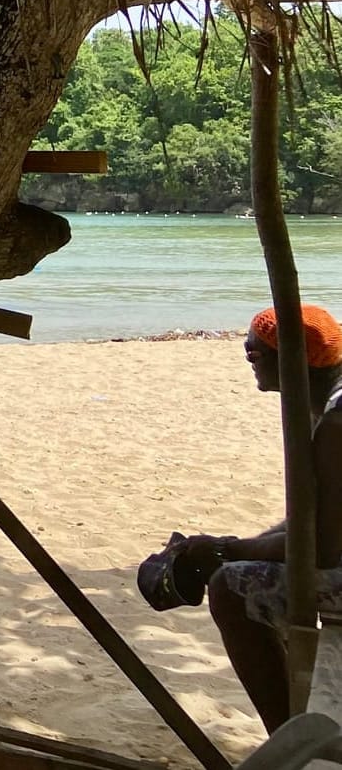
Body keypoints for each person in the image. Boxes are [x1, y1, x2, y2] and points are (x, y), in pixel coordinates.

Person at [186, 304, 342, 732]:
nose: (248, 354)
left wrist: (225, 550)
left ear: (291, 356)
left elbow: (322, 550)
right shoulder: (330, 404)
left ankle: (287, 737)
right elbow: (320, 520)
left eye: (256, 347)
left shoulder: (334, 424)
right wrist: (237, 545)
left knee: (232, 588)